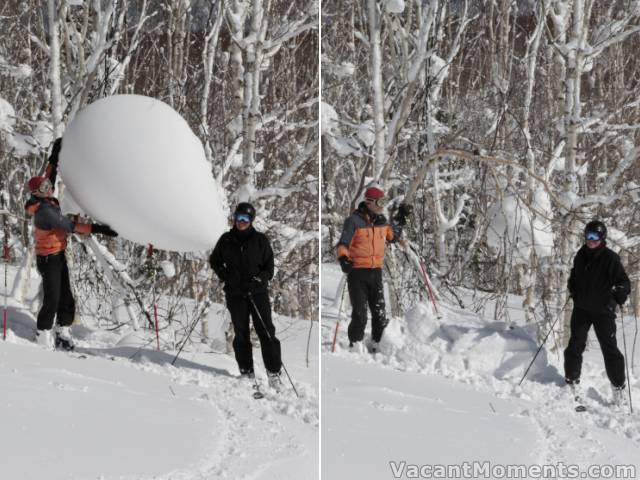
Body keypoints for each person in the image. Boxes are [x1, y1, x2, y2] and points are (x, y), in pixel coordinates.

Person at [25, 138, 118, 351]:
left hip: (57, 255)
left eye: (48, 186)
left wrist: (54, 157)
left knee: (66, 296)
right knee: (53, 297)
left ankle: (63, 331)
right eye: (44, 188)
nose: (48, 189)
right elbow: (71, 226)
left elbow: (48, 176)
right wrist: (98, 229)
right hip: (48, 259)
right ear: (36, 194)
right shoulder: (46, 211)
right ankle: (42, 335)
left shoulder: (44, 198)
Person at [209, 202, 284, 391]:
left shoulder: (260, 240)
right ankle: (246, 371)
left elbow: (269, 267)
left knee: (266, 332)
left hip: (257, 293)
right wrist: (225, 276)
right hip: (235, 293)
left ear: (251, 221)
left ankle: (273, 373)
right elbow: (215, 260)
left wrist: (259, 280)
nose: (241, 222)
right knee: (241, 333)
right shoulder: (226, 239)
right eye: (238, 218)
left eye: (245, 219)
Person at [336, 186, 412, 353]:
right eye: (380, 202)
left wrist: (401, 216)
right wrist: (343, 259)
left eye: (384, 202)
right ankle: (355, 344)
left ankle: (378, 343)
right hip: (357, 273)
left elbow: (393, 237)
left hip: (375, 272)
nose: (382, 206)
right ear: (369, 202)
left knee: (379, 312)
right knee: (360, 314)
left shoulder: (382, 221)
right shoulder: (353, 221)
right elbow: (343, 244)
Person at [565, 220, 631, 406]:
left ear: (602, 238)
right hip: (582, 309)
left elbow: (624, 283)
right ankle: (571, 381)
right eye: (588, 236)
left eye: (595, 237)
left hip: (603, 311)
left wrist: (613, 301)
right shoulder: (580, 255)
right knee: (575, 344)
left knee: (609, 349)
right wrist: (574, 290)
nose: (590, 240)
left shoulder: (611, 258)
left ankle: (618, 388)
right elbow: (574, 276)